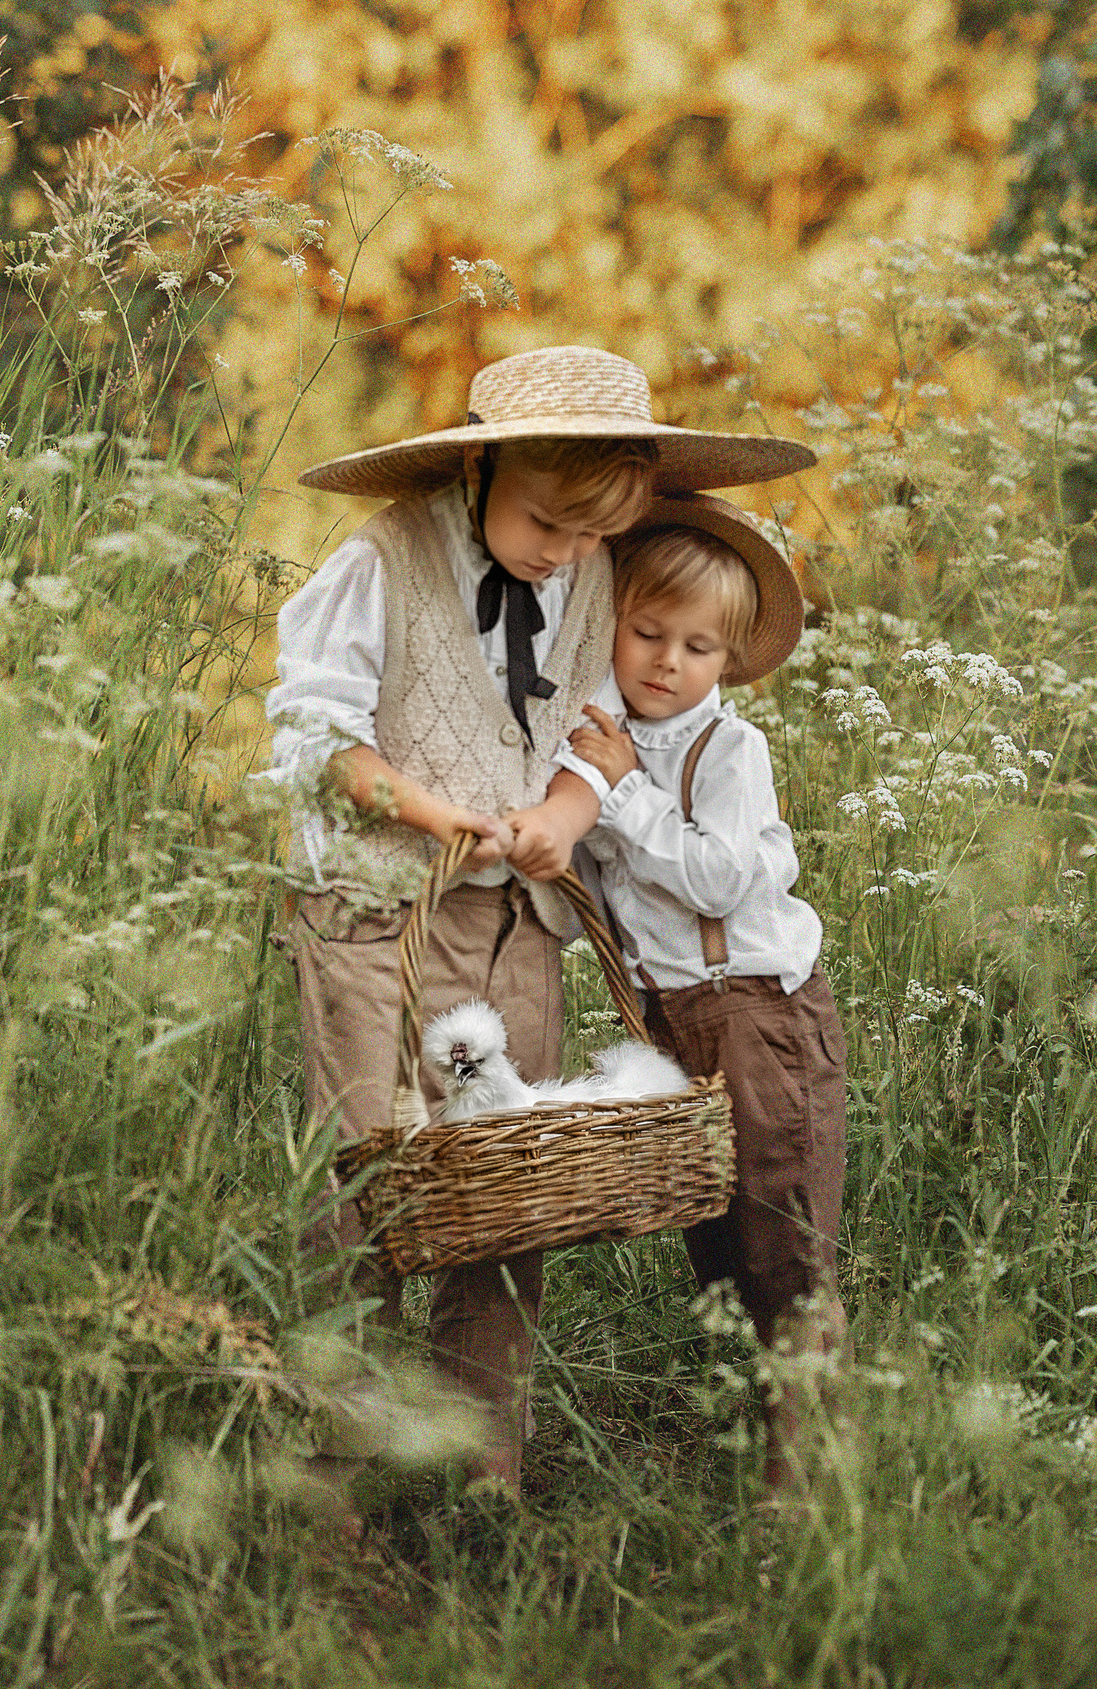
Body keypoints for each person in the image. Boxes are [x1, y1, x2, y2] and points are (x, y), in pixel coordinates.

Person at [266, 346, 812, 1492]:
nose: (562, 551)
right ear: (481, 468)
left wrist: (562, 817)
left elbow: (592, 734)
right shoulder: (383, 561)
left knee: (509, 1190)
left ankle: (480, 1471)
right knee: (364, 1186)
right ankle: (332, 1479)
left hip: (515, 923)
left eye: (589, 532)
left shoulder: (593, 571)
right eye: (545, 522)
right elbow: (317, 736)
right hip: (377, 914)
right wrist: (434, 815)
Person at [557, 493, 847, 1497]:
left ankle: (808, 1484)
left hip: (759, 1012)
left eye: (698, 647)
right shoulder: (604, 740)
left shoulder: (727, 750)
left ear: (727, 660)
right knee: (721, 1251)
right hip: (676, 1023)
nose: (667, 662)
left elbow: (720, 881)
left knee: (785, 1247)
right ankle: (764, 1448)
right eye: (647, 633)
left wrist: (626, 792)